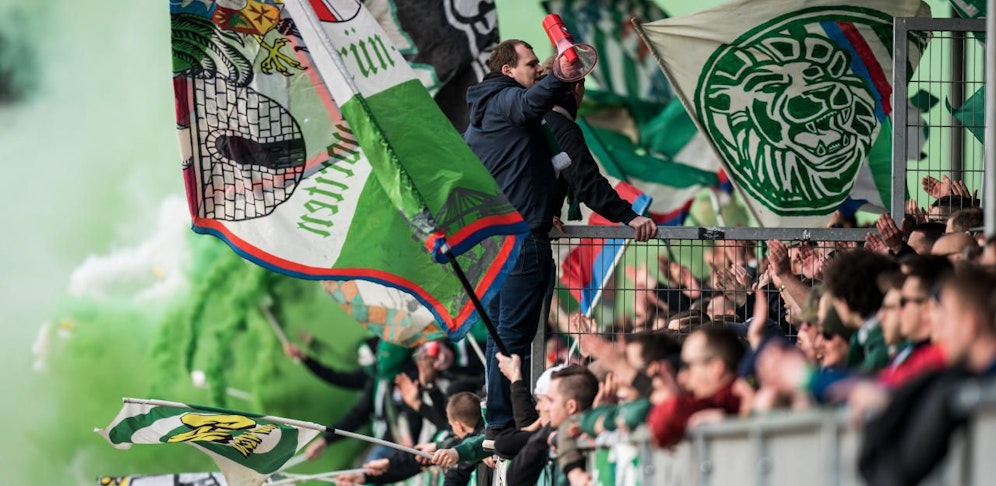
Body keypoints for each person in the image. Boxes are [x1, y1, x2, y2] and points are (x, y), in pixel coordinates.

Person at [463, 39, 580, 434]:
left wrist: (545, 204)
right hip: (519, 244)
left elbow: (519, 169)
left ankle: (501, 421)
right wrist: (564, 73)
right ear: (509, 71)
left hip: (496, 245)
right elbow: (530, 104)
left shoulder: (485, 112)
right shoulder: (507, 99)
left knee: (502, 340)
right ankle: (506, 424)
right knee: (512, 343)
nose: (537, 70)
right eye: (532, 64)